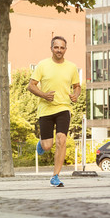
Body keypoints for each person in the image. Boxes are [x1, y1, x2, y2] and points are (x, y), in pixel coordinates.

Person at [27, 36, 81, 187]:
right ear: (51, 48)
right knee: (47, 146)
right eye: (56, 47)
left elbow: (77, 86)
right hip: (45, 109)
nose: (59, 50)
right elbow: (31, 86)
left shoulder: (71, 67)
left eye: (62, 47)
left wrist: (75, 95)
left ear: (65, 49)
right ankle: (41, 143)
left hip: (64, 107)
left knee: (61, 139)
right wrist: (44, 95)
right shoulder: (43, 65)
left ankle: (55, 176)